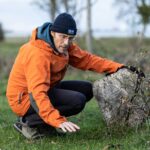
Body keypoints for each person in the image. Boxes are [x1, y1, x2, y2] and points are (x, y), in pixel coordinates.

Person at [6, 13, 137, 139]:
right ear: (52, 33)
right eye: (62, 36)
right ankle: (28, 122)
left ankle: (42, 122)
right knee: (77, 101)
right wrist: (58, 121)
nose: (66, 42)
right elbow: (37, 94)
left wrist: (119, 67)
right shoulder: (38, 54)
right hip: (25, 99)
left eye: (70, 38)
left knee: (87, 89)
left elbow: (88, 60)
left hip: (47, 89)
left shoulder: (62, 46)